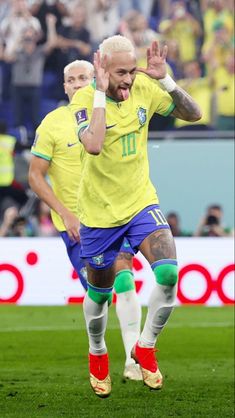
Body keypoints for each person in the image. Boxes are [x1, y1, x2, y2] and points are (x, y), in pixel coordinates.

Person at [70, 35, 201, 397]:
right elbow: (93, 145)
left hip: (141, 202)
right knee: (99, 294)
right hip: (99, 214)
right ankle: (97, 351)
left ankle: (145, 346)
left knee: (169, 272)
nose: (128, 79)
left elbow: (194, 114)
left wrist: (165, 80)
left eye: (132, 71)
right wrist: (98, 90)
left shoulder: (144, 85)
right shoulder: (83, 99)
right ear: (103, 71)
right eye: (120, 73)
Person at [28, 59, 142, 381]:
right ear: (64, 86)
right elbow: (35, 177)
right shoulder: (52, 123)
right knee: (100, 296)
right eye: (72, 79)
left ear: (96, 79)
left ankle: (135, 360)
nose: (78, 83)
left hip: (113, 217)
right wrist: (65, 213)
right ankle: (99, 350)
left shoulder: (113, 113)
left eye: (84, 77)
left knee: (124, 280)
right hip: (77, 228)